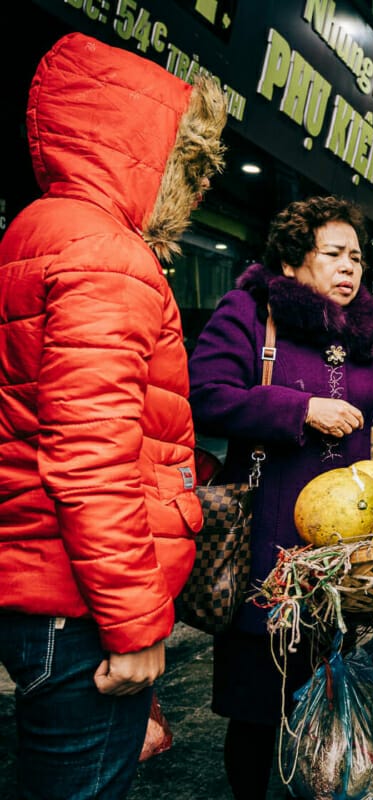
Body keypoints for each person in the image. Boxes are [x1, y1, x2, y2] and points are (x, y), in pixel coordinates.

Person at [0, 33, 227, 798]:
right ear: (141, 148)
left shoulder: (39, 231)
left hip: (50, 588)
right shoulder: (104, 254)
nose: (193, 191)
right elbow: (90, 455)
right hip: (81, 608)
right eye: (188, 166)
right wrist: (134, 628)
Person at [188, 195, 373, 799]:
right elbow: (205, 393)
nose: (350, 268)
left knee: (341, 695)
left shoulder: (372, 328)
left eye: (357, 258)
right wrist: (300, 409)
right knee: (258, 708)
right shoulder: (249, 310)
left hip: (348, 551)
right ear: (293, 262)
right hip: (267, 546)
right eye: (334, 254)